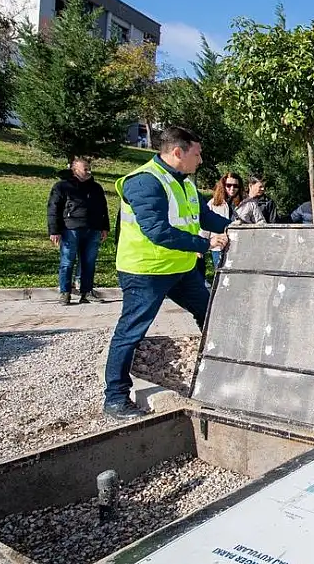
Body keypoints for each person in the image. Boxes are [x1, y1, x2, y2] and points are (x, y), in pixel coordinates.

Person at [102, 127, 232, 420]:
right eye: (196, 154)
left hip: (181, 269)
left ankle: (219, 371)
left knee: (211, 312)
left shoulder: (184, 184)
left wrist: (237, 225)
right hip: (145, 272)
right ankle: (115, 398)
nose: (200, 160)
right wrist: (205, 242)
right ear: (178, 152)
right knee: (131, 332)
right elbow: (157, 231)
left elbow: (206, 216)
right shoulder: (144, 182)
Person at [47, 157, 110, 305]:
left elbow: (103, 208)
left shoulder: (96, 187)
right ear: (75, 170)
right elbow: (53, 209)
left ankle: (86, 292)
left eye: (89, 168)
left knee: (88, 262)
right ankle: (65, 292)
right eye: (85, 168)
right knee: (67, 261)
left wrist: (104, 227)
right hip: (71, 229)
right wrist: (54, 230)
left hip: (93, 229)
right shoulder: (62, 187)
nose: (89, 171)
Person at [203, 172, 244, 268]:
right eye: (228, 185)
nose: (232, 188)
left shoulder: (247, 203)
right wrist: (202, 247)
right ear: (223, 186)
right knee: (220, 276)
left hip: (240, 247)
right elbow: (205, 224)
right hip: (219, 247)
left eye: (236, 186)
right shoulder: (213, 203)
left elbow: (259, 222)